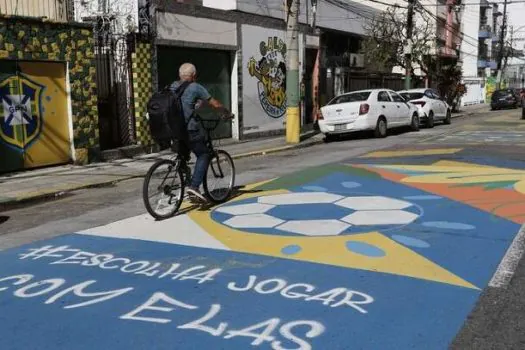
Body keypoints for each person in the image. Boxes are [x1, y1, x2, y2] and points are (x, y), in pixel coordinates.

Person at [170, 63, 231, 202]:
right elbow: (214, 103)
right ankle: (194, 187)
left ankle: (185, 178)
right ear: (193, 75)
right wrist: (227, 114)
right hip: (190, 130)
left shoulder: (172, 86)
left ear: (180, 75)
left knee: (183, 157)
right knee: (204, 154)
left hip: (174, 131)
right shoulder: (195, 87)